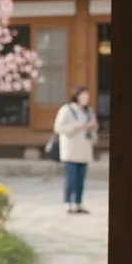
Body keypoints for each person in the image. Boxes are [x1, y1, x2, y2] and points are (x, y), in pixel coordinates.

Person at [53, 86, 98, 214]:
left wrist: (93, 129)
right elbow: (58, 127)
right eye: (83, 95)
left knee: (81, 179)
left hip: (84, 150)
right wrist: (77, 127)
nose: (86, 98)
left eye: (87, 96)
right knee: (70, 179)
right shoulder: (67, 109)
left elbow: (93, 126)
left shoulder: (89, 111)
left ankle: (78, 203)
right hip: (71, 150)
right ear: (77, 96)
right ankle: (67, 202)